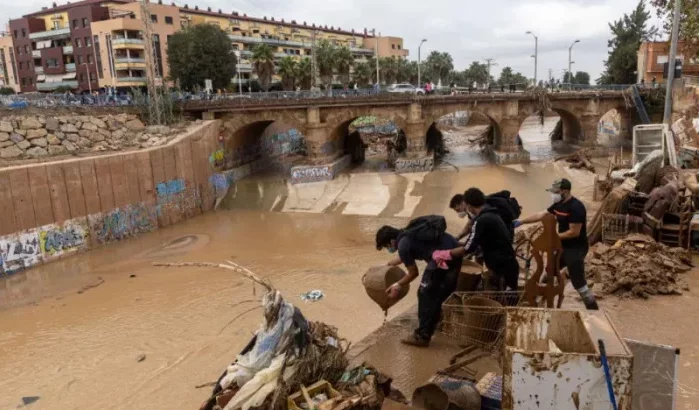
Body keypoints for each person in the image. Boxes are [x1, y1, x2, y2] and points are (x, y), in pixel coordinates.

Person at [376, 216, 463, 347]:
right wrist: (389, 264)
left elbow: (413, 273)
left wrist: (397, 285)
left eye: (386, 246)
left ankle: (422, 336)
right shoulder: (407, 233)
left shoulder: (403, 244)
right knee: (440, 292)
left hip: (441, 260)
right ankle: (436, 321)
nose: (388, 249)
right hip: (454, 252)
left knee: (425, 294)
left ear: (391, 241)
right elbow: (405, 255)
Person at [513, 178, 599, 310]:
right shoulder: (559, 205)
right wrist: (521, 222)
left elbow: (573, 232)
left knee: (579, 282)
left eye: (555, 192)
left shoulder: (577, 207)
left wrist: (552, 237)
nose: (553, 195)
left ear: (564, 191)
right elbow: (542, 214)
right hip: (563, 246)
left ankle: (593, 308)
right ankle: (543, 293)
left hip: (576, 248)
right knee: (549, 269)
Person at [435, 188, 520, 291]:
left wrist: (445, 254)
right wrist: (457, 240)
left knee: (502, 297)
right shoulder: (492, 212)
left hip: (500, 268)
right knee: (510, 296)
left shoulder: (481, 221)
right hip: (509, 263)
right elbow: (473, 238)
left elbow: (467, 248)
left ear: (469, 205)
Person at [450, 190, 520, 242]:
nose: (459, 213)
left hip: (503, 233)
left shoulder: (482, 206)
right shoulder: (471, 211)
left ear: (463, 203)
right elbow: (469, 226)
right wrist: (457, 238)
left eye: (458, 210)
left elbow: (478, 226)